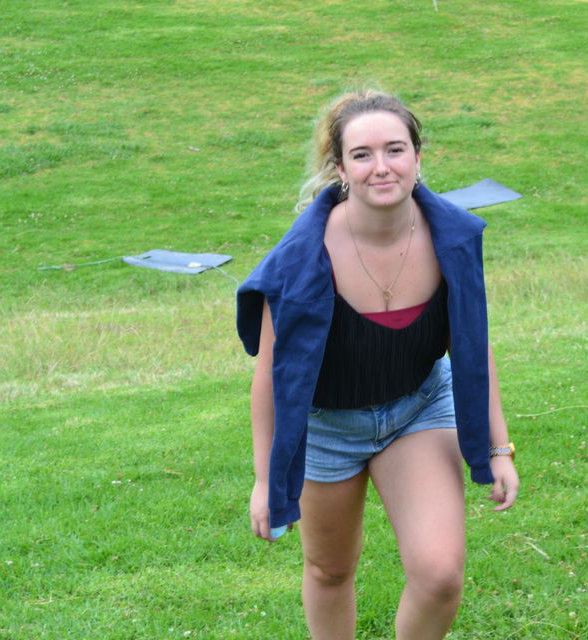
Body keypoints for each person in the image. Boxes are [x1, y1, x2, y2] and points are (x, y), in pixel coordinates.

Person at [235, 89, 519, 640]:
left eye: (395, 149)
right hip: (327, 428)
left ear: (417, 157)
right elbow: (272, 378)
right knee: (330, 569)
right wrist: (265, 479)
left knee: (439, 575)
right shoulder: (300, 261)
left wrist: (498, 447)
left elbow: (472, 347)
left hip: (418, 408)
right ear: (340, 168)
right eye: (362, 155)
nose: (381, 167)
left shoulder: (454, 238)